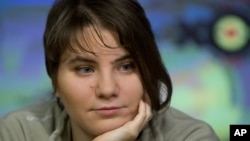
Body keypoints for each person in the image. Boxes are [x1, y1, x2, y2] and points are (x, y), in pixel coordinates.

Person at [0, 0, 220, 141]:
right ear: (55, 81)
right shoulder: (18, 132)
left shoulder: (191, 137)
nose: (107, 89)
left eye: (126, 66)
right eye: (85, 69)